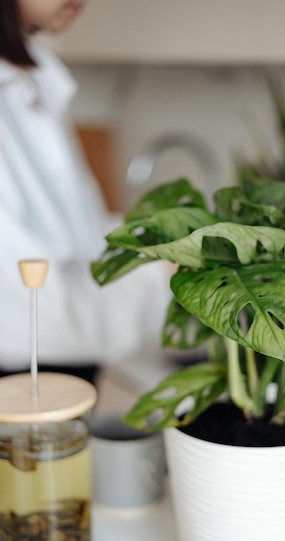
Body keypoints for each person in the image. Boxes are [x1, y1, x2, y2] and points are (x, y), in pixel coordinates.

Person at [0, 0, 171, 384]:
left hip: (64, 369)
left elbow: (81, 233)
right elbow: (26, 312)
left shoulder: (32, 72)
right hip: (21, 383)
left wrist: (166, 244)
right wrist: (160, 276)